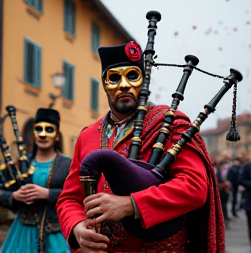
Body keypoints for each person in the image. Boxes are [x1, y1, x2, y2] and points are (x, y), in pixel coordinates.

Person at [56, 41, 225, 253]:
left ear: (143, 81)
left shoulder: (170, 125)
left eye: (132, 76)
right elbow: (70, 198)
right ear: (104, 83)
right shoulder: (87, 135)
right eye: (114, 78)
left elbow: (194, 186)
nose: (124, 85)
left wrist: (129, 204)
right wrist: (77, 228)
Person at [0, 108, 71, 253]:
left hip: (54, 234)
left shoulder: (67, 165)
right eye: (39, 129)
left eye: (49, 130)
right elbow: (2, 194)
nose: (43, 135)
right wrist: (14, 196)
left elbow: (77, 196)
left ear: (57, 135)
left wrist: (47, 193)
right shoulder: (21, 164)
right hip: (21, 234)